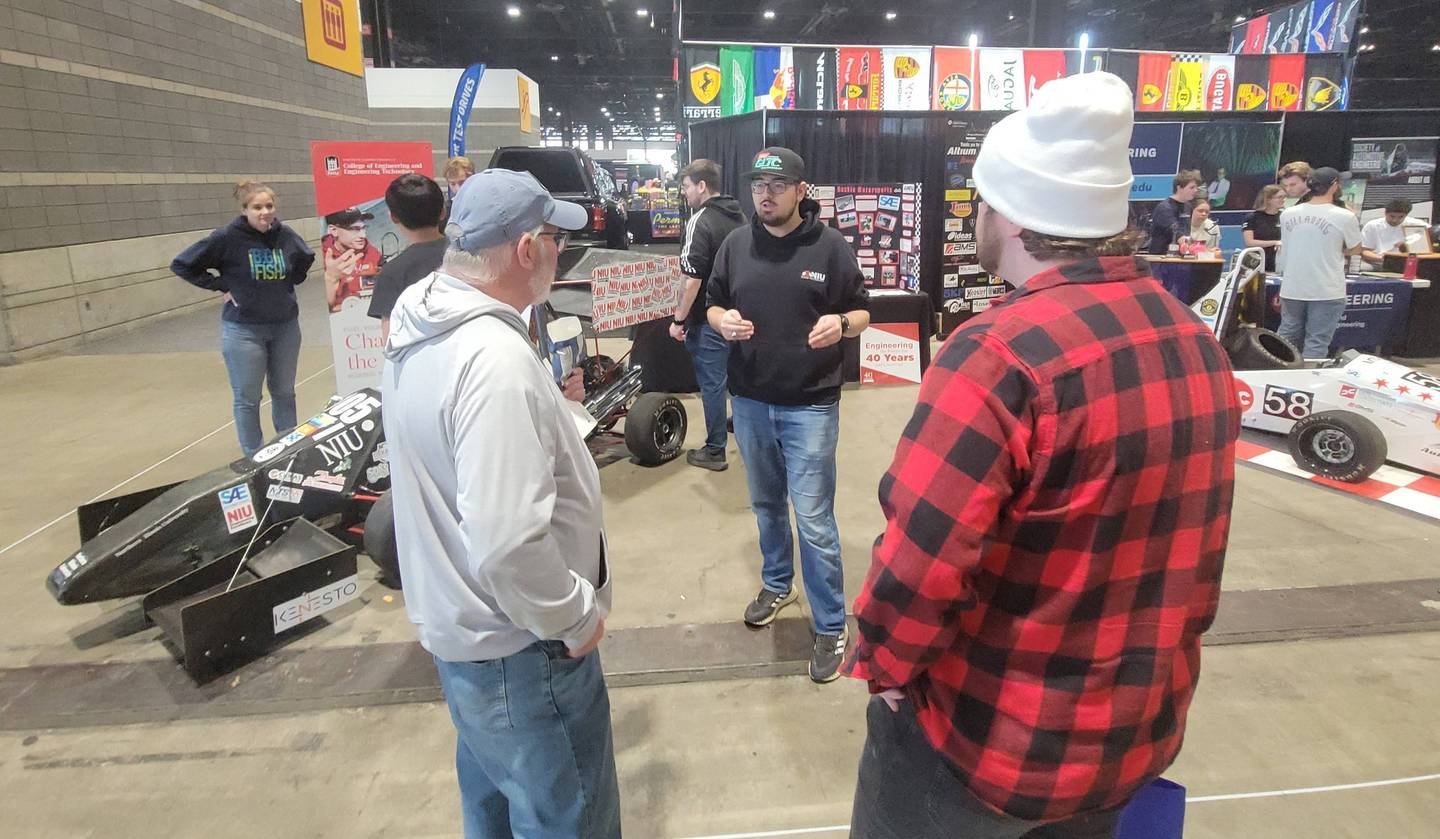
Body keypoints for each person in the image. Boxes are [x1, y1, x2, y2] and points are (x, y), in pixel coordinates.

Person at [846, 71, 1240, 839]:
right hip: (1128, 746)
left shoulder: (997, 355)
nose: (975, 216)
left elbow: (921, 561)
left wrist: (884, 665)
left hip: (988, 751)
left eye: (981, 201)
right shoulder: (1193, 340)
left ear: (1012, 214)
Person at [381, 169, 618, 839]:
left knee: (494, 808)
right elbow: (510, 540)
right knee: (566, 819)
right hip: (525, 648)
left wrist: (549, 412)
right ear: (523, 250)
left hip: (467, 637)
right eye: (551, 238)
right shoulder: (493, 360)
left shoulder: (422, 314)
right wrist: (574, 617)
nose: (559, 252)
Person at [706, 146, 870, 683]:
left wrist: (842, 326)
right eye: (758, 185)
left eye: (777, 185)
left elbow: (864, 310)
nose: (765, 194)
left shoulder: (830, 248)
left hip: (811, 405)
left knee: (816, 521)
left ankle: (830, 625)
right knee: (765, 505)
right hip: (750, 400)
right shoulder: (735, 244)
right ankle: (778, 584)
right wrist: (721, 319)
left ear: (802, 190)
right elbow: (712, 301)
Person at [171, 181, 314, 456]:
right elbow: (182, 264)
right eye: (257, 207)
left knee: (284, 391)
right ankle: (254, 454)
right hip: (244, 330)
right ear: (244, 209)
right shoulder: (227, 237)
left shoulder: (285, 235)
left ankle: (289, 448)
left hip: (285, 326)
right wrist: (221, 286)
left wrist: (291, 280)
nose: (265, 213)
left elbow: (305, 257)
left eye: (269, 206)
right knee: (248, 398)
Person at [670, 158, 745, 471]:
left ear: (701, 186)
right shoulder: (740, 216)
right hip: (739, 315)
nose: (684, 193)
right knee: (737, 378)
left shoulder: (699, 221)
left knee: (712, 384)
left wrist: (678, 319)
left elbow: (692, 279)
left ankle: (715, 449)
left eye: (686, 186)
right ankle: (738, 423)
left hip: (708, 318)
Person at [1277, 166, 1363, 360]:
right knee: (1317, 341)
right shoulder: (1344, 216)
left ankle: (1278, 375)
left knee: (1286, 337)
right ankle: (1308, 383)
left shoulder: (1288, 213)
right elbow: (1356, 249)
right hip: (1326, 288)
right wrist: (1336, 247)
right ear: (1334, 186)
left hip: (1293, 286)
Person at [368, 174, 448, 342]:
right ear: (443, 212)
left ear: (393, 217)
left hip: (423, 362)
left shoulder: (392, 273)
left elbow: (390, 340)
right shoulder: (468, 256)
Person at [322, 207, 384, 312]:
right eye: (354, 229)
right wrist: (331, 278)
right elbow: (321, 310)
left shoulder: (373, 254)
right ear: (334, 230)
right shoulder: (321, 258)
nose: (363, 235)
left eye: (364, 227)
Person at [1146, 169, 1200, 254]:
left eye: (1196, 187)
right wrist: (1191, 245)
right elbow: (1175, 232)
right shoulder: (1165, 208)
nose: (1196, 190)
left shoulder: (1188, 206)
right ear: (1179, 188)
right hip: (1161, 258)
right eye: (1192, 187)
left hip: (1182, 257)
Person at [1361, 198, 1425, 268]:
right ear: (1385, 213)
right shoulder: (1372, 225)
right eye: (1392, 216)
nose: (1395, 220)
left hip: (1405, 263)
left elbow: (1428, 240)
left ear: (1406, 215)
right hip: (1378, 263)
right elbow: (1364, 251)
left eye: (1401, 217)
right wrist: (1381, 258)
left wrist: (1408, 244)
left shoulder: (1416, 224)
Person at [1243, 184, 1286, 271]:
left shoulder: (1285, 216)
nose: (1283, 200)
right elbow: (1249, 242)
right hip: (1257, 261)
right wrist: (1275, 242)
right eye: (1280, 197)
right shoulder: (1252, 217)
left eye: (1284, 197)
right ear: (1268, 199)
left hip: (1278, 261)